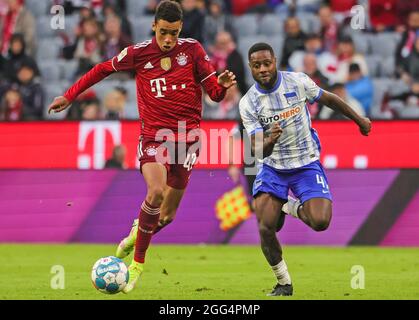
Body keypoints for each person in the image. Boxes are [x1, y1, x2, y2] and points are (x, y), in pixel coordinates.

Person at [48, 0, 236, 294]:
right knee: (156, 192)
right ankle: (137, 265)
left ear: (180, 29)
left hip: (187, 141)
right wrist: (70, 96)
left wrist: (222, 85)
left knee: (168, 215)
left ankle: (134, 236)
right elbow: (101, 69)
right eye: (163, 32)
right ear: (154, 26)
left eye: (173, 33)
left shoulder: (193, 51)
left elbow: (213, 94)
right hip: (154, 138)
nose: (168, 39)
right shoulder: (138, 53)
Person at [239, 43, 371, 296]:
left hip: (306, 163)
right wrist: (269, 140)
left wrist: (359, 120)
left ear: (275, 61)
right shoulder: (248, 103)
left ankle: (287, 205)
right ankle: (284, 283)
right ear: (251, 67)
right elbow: (257, 150)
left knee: (320, 222)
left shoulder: (297, 82)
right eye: (257, 65)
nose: (263, 69)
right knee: (267, 226)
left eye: (267, 63)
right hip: (273, 167)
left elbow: (330, 99)